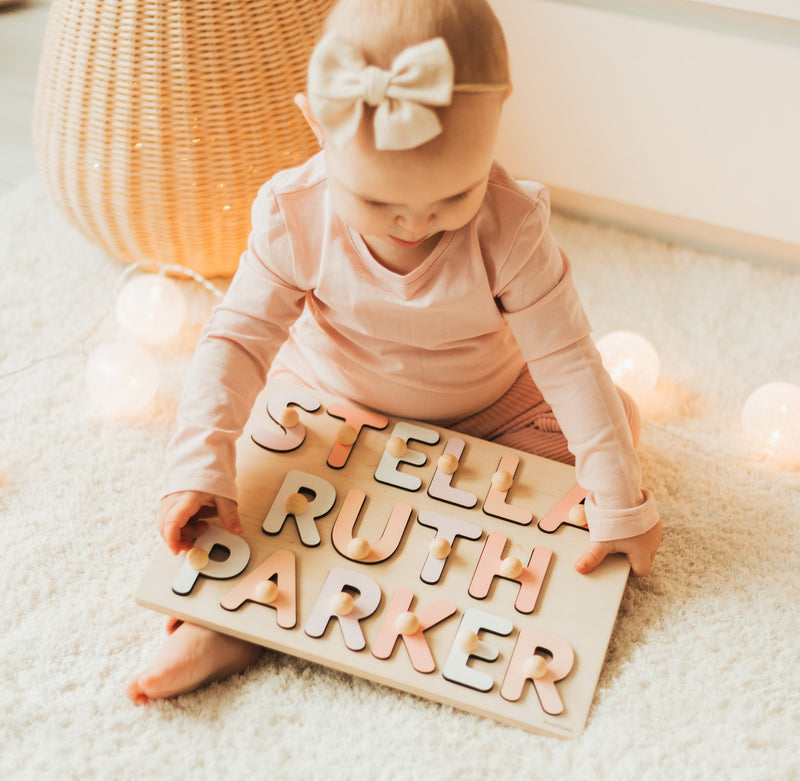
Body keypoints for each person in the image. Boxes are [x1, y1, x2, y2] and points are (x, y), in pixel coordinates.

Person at [126, 0, 662, 705]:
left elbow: (567, 358)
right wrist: (199, 460)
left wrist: (618, 498)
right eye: (378, 202)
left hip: (490, 410)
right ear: (317, 125)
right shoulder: (295, 213)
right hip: (331, 406)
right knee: (254, 490)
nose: (414, 222)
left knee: (609, 421)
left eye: (452, 196)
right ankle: (229, 620)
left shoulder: (514, 227)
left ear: (499, 119)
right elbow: (234, 340)